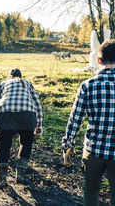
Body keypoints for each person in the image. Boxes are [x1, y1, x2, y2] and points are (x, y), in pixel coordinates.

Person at [62, 39, 115, 206]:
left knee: (91, 189)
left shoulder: (87, 85)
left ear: (99, 60)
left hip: (93, 151)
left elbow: (75, 119)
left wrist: (67, 145)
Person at [0, 68, 43, 188]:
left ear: (10, 76)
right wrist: (39, 125)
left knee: (4, 145)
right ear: (21, 76)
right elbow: (37, 104)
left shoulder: (4, 83)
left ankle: (2, 178)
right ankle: (21, 175)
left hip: (5, 114)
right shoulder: (27, 83)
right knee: (26, 143)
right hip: (27, 115)